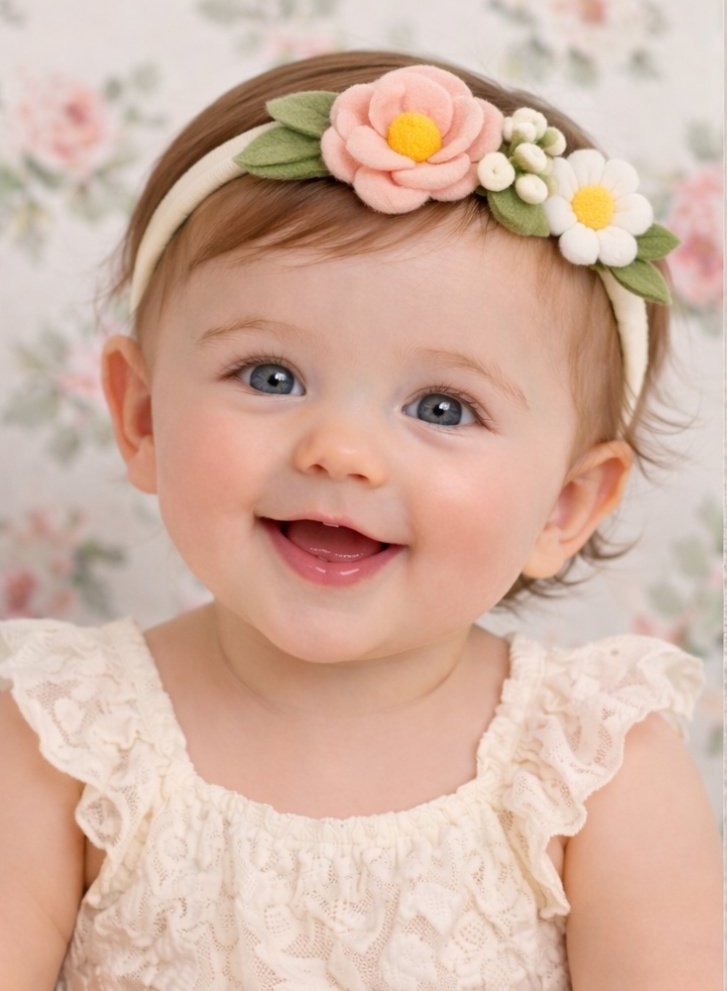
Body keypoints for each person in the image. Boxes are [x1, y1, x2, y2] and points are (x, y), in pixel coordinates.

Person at [0, 50, 721, 991]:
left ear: (564, 506)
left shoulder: (591, 768)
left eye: (442, 407)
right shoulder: (66, 733)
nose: (340, 450)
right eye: (270, 376)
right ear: (142, 416)